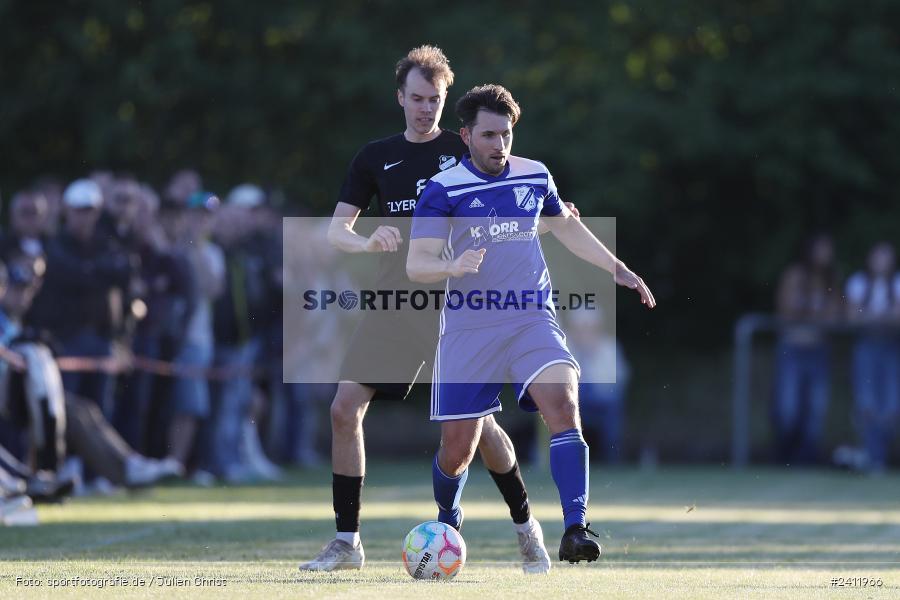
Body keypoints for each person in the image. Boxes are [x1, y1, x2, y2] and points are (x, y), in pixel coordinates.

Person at [300, 46, 553, 573]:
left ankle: (527, 529)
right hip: (395, 306)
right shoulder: (375, 157)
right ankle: (347, 542)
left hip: (458, 311)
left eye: (434, 99)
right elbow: (335, 231)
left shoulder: (468, 147)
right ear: (400, 97)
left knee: (478, 430)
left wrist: (558, 215)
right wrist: (367, 243)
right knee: (343, 409)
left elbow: (517, 199)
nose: (425, 108)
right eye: (416, 98)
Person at [406, 84, 655, 563]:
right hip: (469, 327)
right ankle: (447, 521)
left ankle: (575, 528)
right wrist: (452, 267)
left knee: (563, 405)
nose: (500, 144)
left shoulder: (535, 175)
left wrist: (617, 268)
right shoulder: (443, 189)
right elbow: (418, 265)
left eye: (506, 134)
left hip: (530, 317)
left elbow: (565, 225)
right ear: (466, 136)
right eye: (489, 135)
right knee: (458, 446)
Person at [772, 234, 842, 465]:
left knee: (816, 409)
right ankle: (784, 456)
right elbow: (787, 312)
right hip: (792, 348)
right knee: (788, 408)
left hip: (818, 350)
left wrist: (810, 315)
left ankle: (806, 459)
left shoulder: (830, 279)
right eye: (822, 249)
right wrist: (813, 315)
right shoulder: (794, 275)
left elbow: (833, 316)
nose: (826, 255)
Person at [845, 242, 900, 472]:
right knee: (866, 403)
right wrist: (884, 316)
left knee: (891, 405)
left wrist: (872, 317)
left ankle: (879, 456)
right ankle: (872, 457)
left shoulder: (897, 282)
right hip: (866, 347)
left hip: (892, 347)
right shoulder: (858, 282)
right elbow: (852, 317)